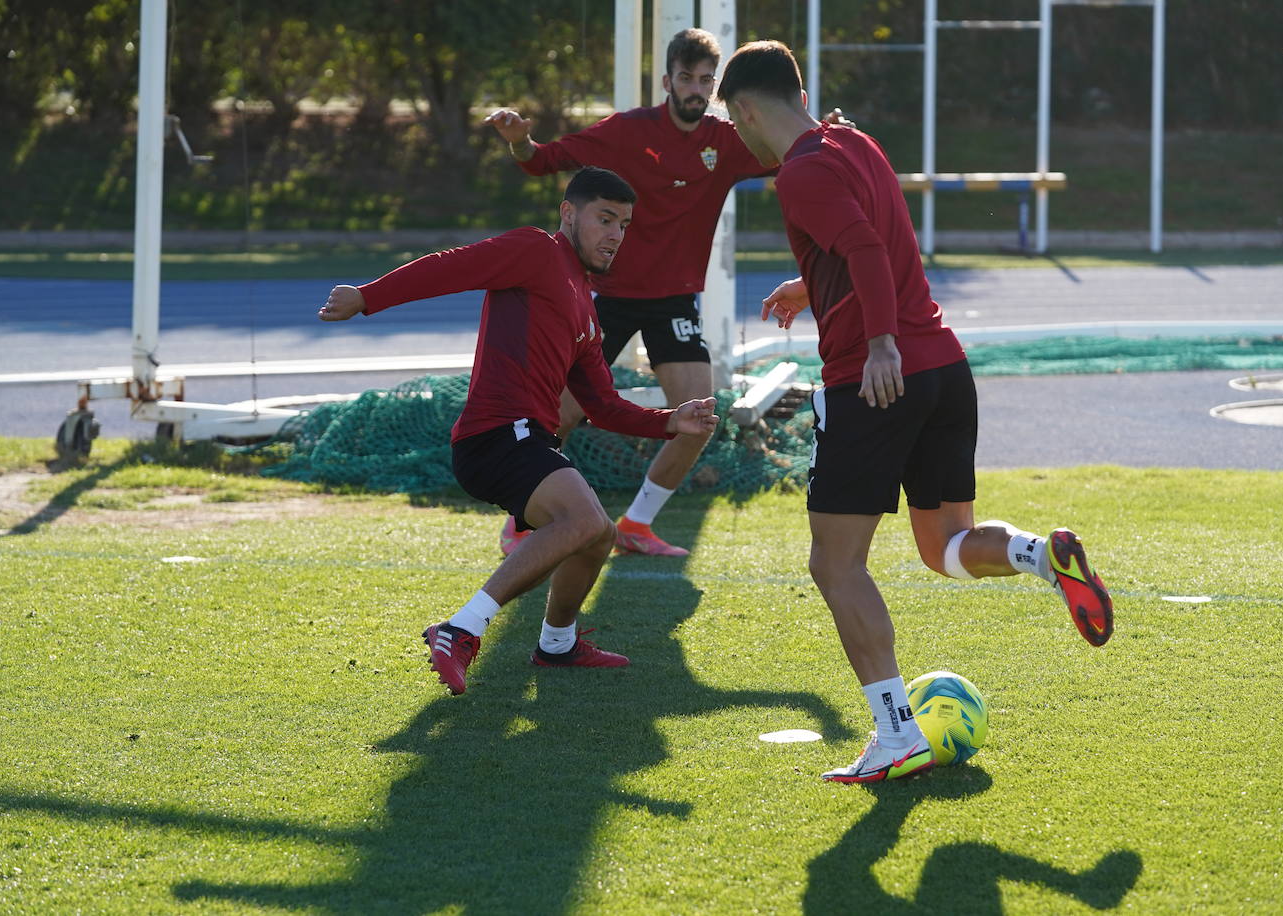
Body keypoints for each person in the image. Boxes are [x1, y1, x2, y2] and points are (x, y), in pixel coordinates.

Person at [716, 41, 1114, 783]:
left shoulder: (799, 171)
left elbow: (864, 244)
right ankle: (1042, 556)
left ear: (743, 110)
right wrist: (815, 285)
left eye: (734, 123)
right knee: (945, 548)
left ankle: (897, 733)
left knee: (835, 564)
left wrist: (878, 344)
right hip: (945, 370)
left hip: (879, 382)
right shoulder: (853, 140)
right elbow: (878, 237)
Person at [318, 167, 720, 695]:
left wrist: (668, 421)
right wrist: (368, 297)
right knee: (582, 519)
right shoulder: (536, 252)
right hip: (497, 435)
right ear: (568, 214)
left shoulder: (587, 307)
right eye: (604, 219)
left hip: (526, 442)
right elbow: (450, 268)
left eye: (623, 224)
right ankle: (460, 629)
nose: (615, 235)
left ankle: (558, 644)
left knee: (597, 534)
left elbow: (601, 404)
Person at [485, 28, 850, 558]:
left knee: (699, 417)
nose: (696, 89)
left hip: (675, 302)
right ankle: (520, 522)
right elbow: (541, 160)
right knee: (559, 415)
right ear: (667, 81)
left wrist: (829, 132)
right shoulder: (626, 132)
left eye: (707, 79)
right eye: (686, 77)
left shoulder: (726, 142)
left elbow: (794, 147)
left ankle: (637, 524)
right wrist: (519, 139)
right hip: (606, 298)